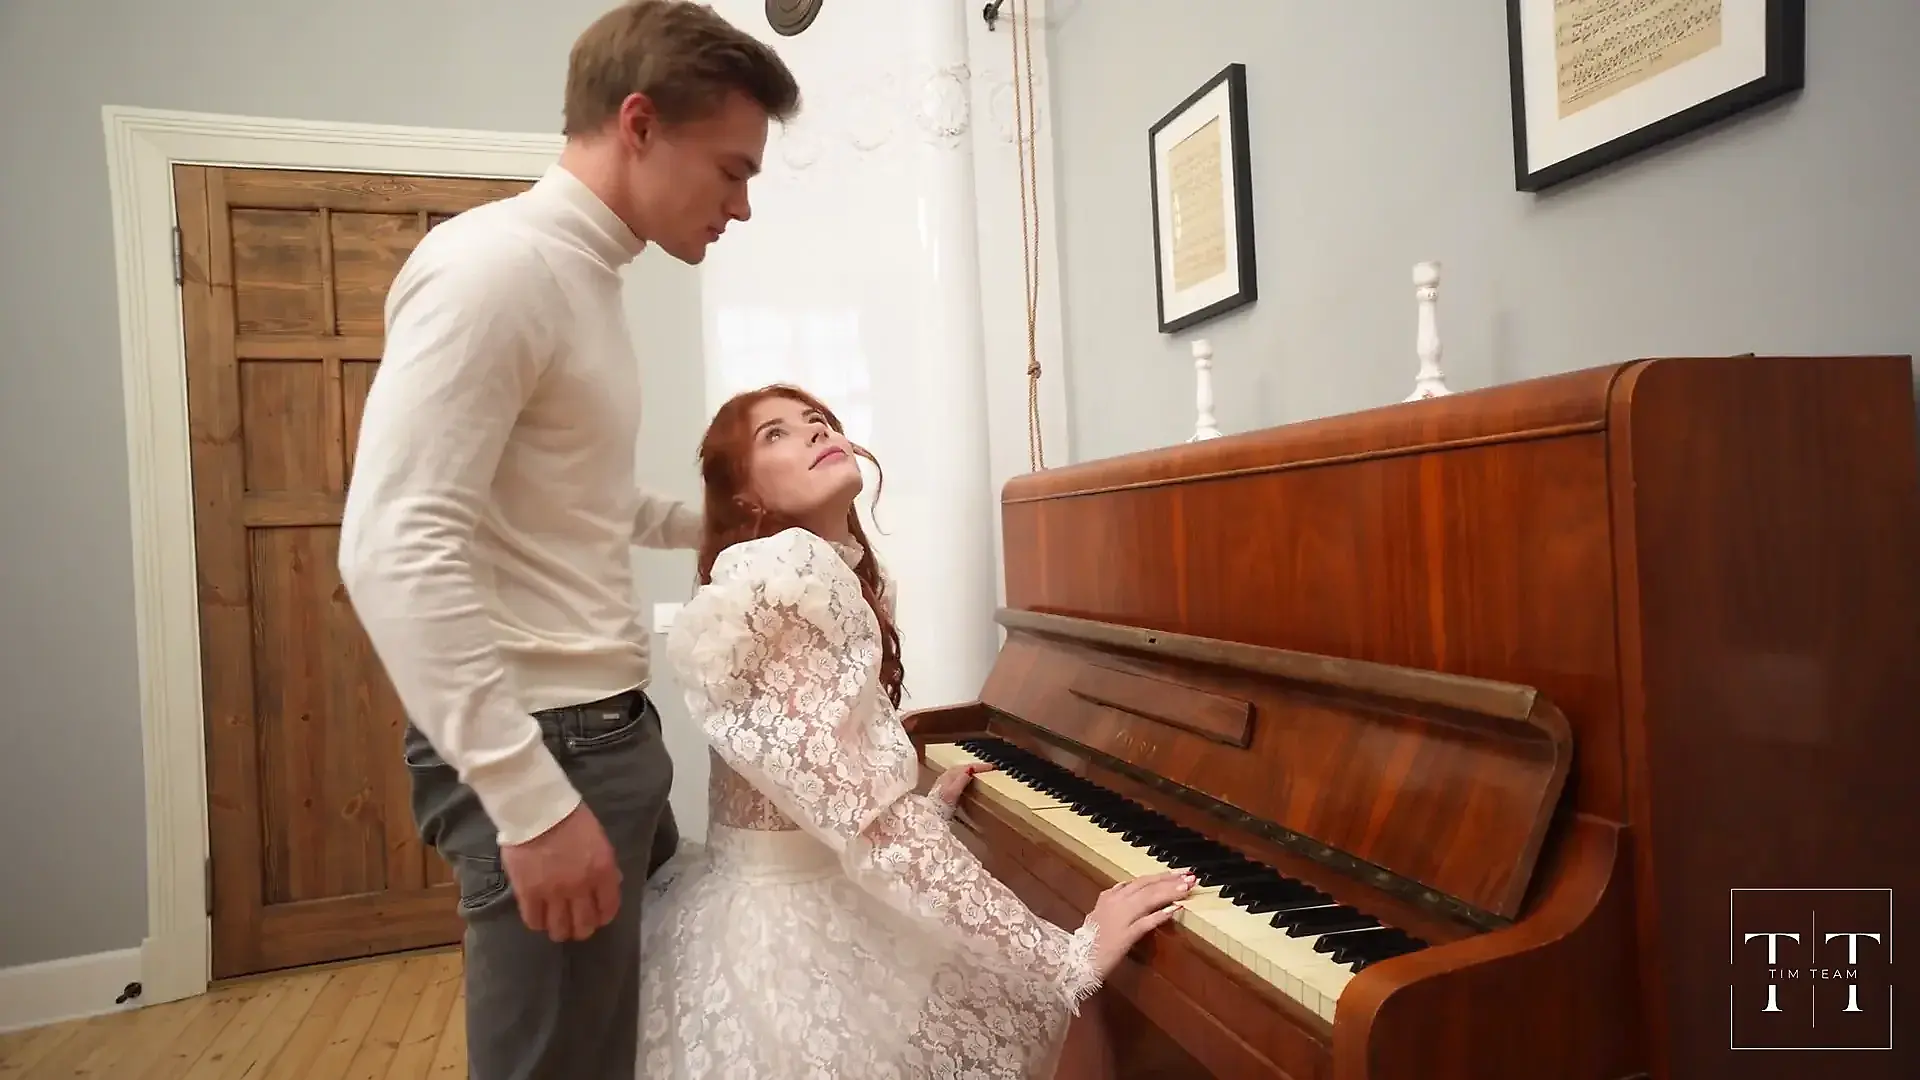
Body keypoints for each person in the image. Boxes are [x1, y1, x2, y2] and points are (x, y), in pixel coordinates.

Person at [336, 4, 801, 1078]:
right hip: (548, 752)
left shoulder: (587, 274)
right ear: (639, 124)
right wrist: (531, 804)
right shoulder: (495, 269)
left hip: (604, 738)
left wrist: (726, 524)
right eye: (732, 171)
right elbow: (393, 544)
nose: (740, 205)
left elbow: (577, 495)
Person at [639, 384, 1197, 1078]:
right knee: (1062, 1012)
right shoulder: (784, 576)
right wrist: (1065, 957)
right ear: (745, 496)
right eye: (775, 434)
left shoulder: (828, 571)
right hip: (784, 935)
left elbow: (821, 790)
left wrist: (924, 811)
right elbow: (869, 821)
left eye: (818, 420)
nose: (815, 431)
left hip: (789, 885)